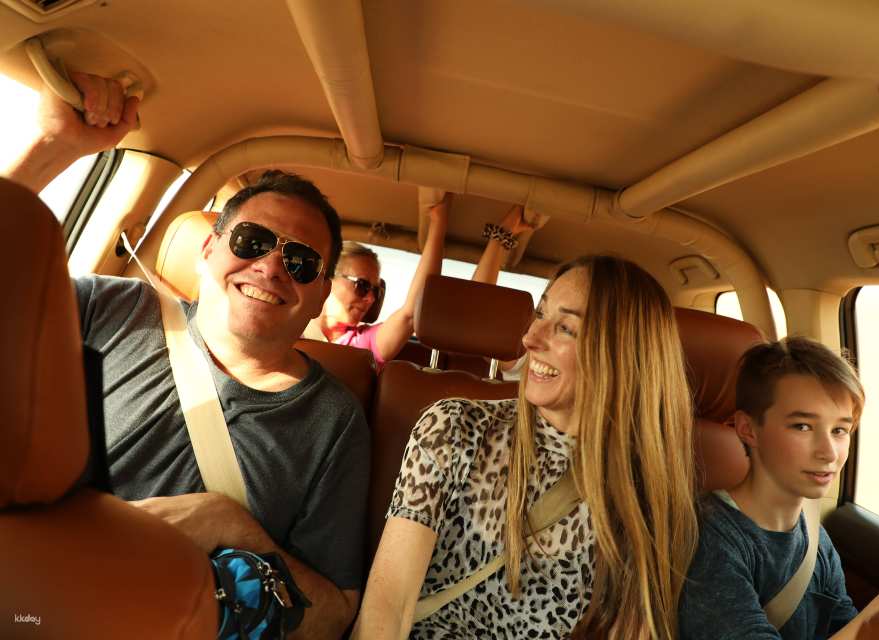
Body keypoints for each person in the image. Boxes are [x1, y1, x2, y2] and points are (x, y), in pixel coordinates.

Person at [4, 73, 370, 640]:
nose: (271, 267)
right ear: (208, 249)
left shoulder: (335, 421)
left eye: (300, 262)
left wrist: (234, 527)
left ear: (320, 294)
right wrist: (52, 148)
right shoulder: (109, 306)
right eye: (252, 242)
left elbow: (335, 615)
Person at [352, 255, 699, 639]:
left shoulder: (645, 489)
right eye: (540, 314)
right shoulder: (455, 428)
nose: (530, 338)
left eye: (565, 328)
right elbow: (389, 606)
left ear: (622, 355)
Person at [678, 336, 879, 639]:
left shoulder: (814, 536)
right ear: (748, 429)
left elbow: (846, 630)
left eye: (840, 430)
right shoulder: (708, 539)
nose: (829, 452)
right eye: (803, 426)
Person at [305, 194, 449, 366]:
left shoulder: (363, 344)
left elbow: (411, 314)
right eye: (362, 285)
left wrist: (438, 221)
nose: (371, 298)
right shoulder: (293, 327)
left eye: (376, 291)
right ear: (328, 279)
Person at [470, 203, 536, 379]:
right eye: (542, 313)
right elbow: (476, 315)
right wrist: (502, 234)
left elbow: (476, 314)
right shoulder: (530, 357)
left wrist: (501, 235)